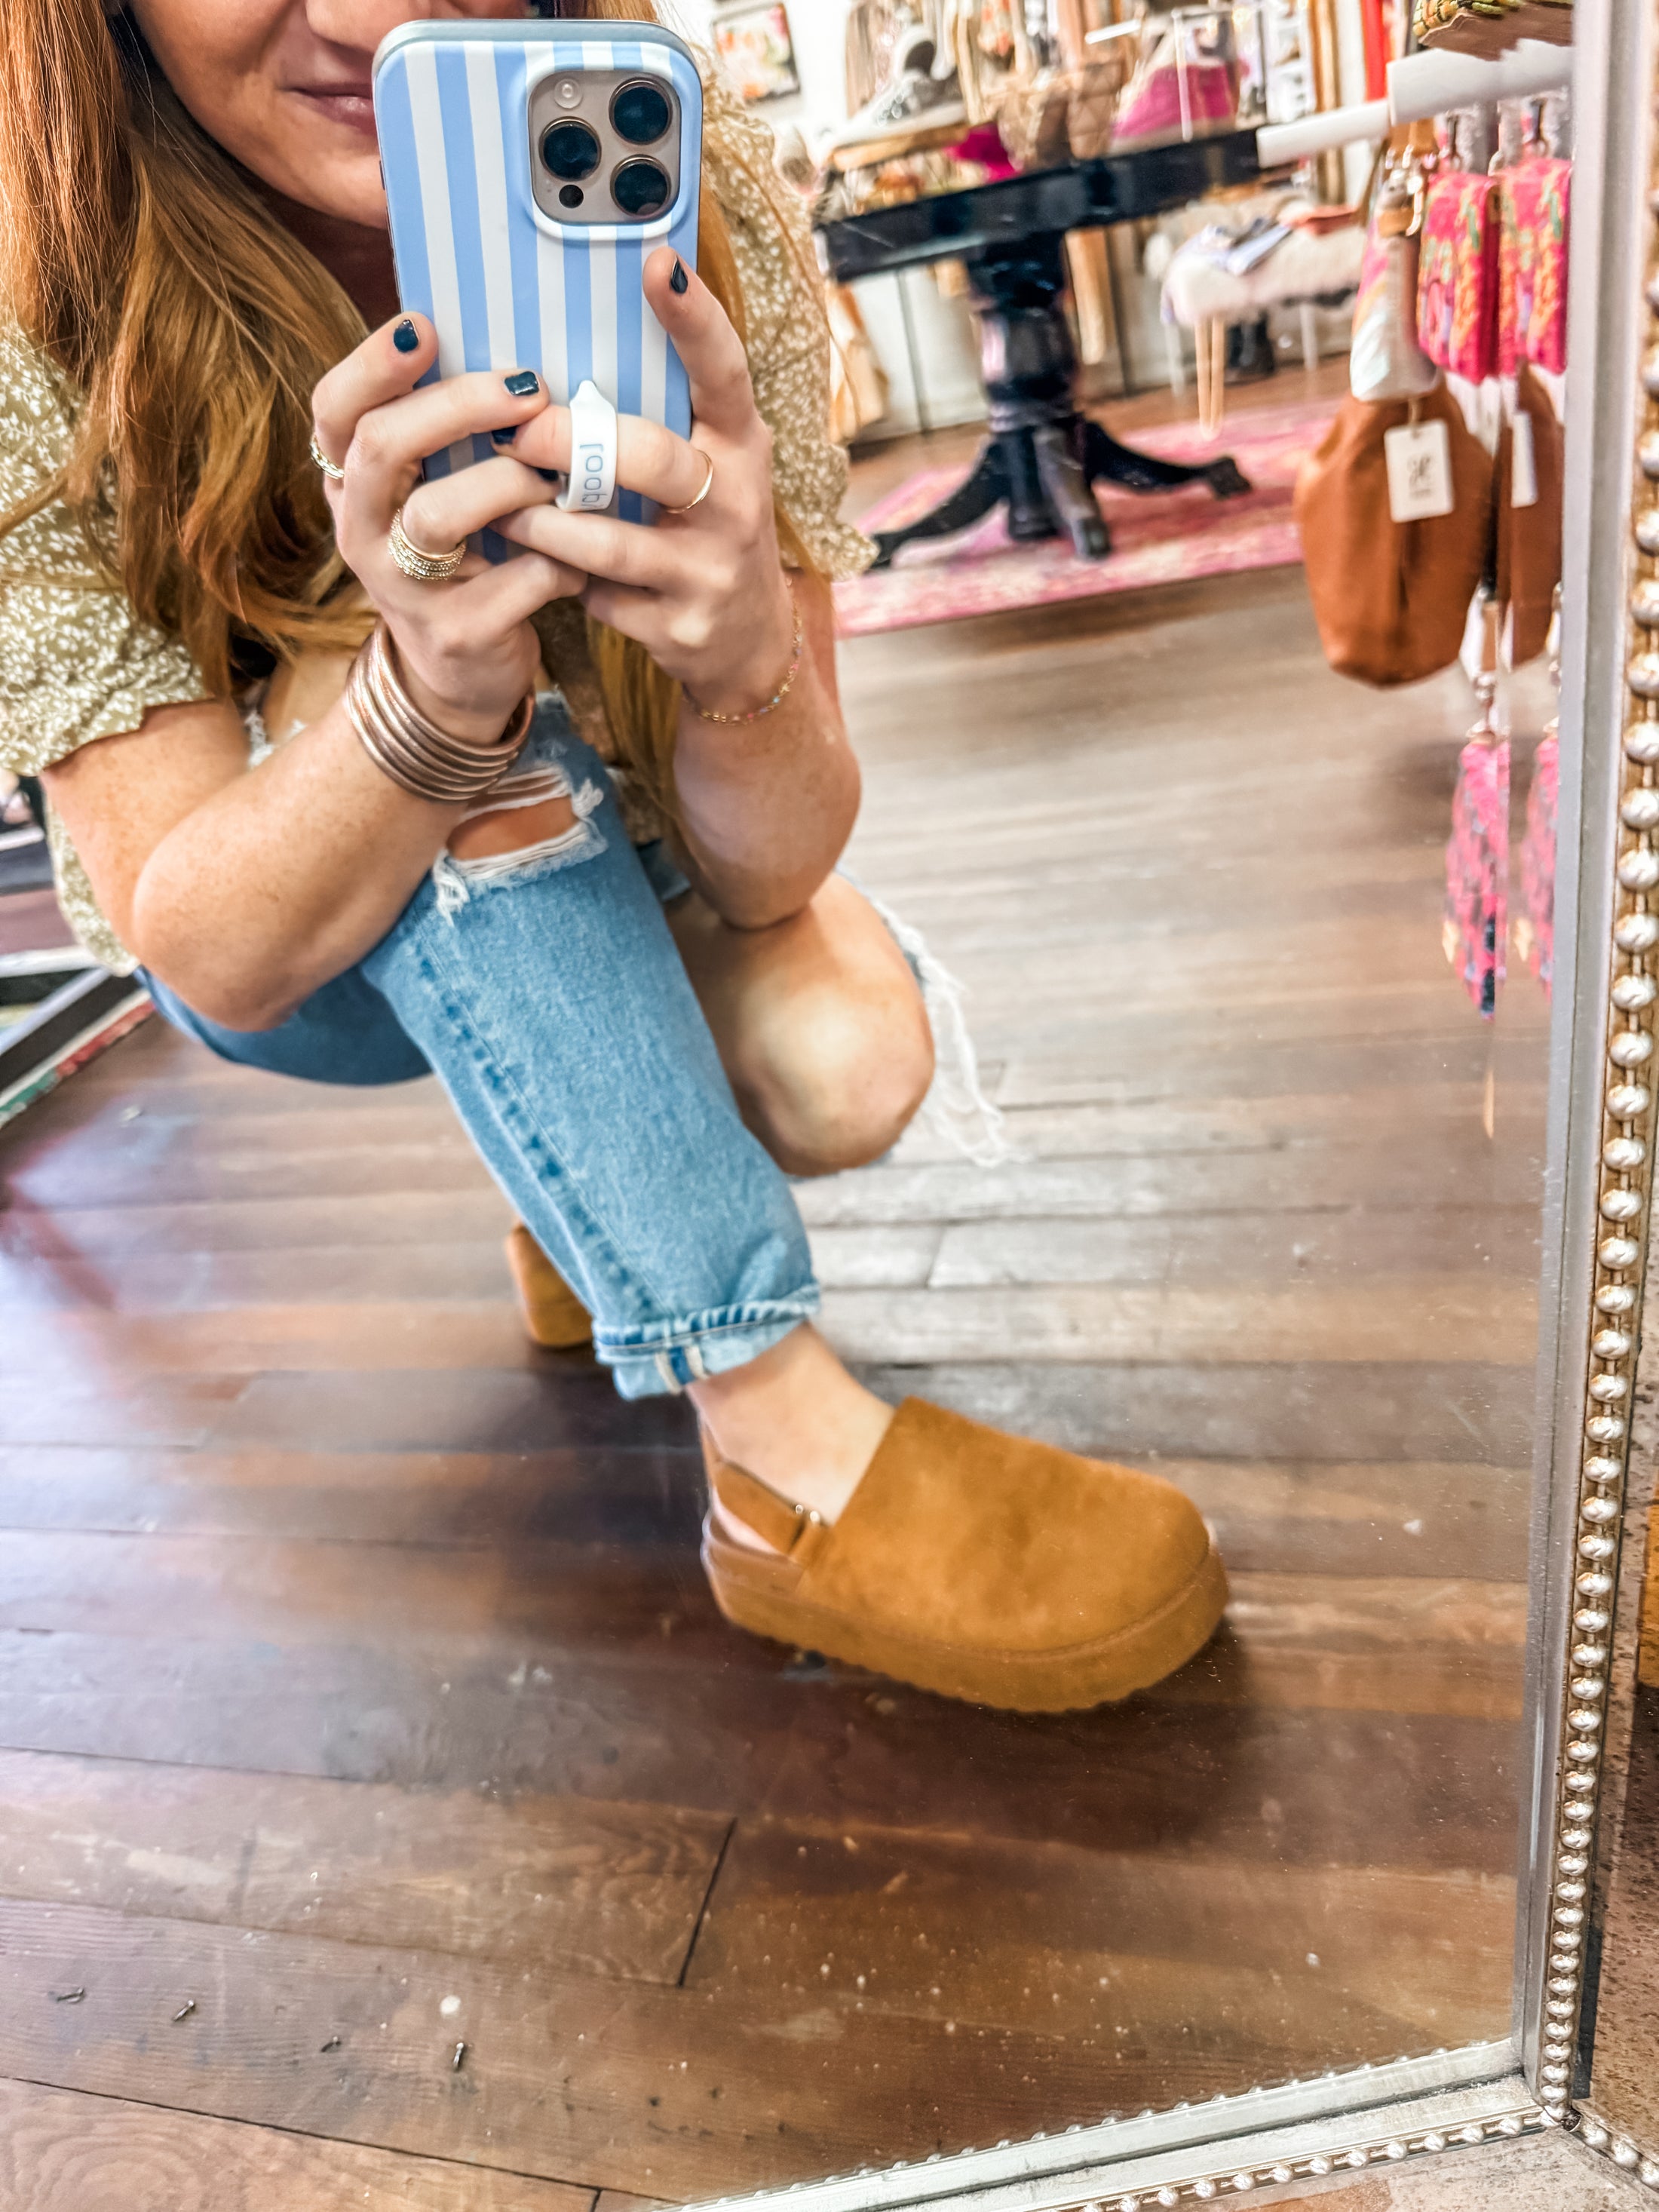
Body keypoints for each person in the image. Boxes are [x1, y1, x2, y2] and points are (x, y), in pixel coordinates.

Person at [0, 0, 1226, 1712]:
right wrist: (425, 701)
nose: (364, 16)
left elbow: (771, 869)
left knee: (849, 1059)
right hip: (297, 938)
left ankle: (572, 1186)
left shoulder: (679, 170)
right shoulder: (41, 295)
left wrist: (740, 656)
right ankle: (780, 1460)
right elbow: (214, 952)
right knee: (439, 690)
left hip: (638, 842)